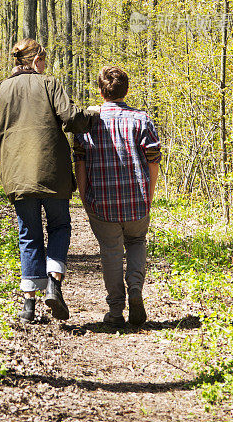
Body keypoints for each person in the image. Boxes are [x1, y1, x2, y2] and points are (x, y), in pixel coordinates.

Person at [0, 38, 98, 323]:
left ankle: (29, 304)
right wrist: (92, 116)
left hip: (18, 174)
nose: (45, 64)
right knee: (59, 226)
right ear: (34, 61)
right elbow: (70, 118)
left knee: (28, 234)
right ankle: (54, 283)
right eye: (43, 59)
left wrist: (2, 157)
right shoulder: (49, 84)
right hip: (53, 172)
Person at [73, 65, 161, 329]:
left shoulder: (88, 122)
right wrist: (150, 192)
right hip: (136, 198)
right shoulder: (141, 119)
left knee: (110, 251)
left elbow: (80, 161)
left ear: (101, 91)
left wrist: (84, 195)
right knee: (136, 241)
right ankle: (135, 288)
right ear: (127, 89)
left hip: (102, 200)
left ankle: (115, 310)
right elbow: (154, 160)